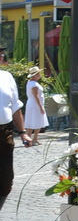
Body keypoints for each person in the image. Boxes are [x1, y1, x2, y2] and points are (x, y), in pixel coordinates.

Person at [0, 66, 20, 212]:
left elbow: (15, 106)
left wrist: (23, 131)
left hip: (4, 131)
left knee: (6, 179)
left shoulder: (6, 76)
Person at [22, 67, 49, 146]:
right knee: (33, 121)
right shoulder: (33, 84)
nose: (40, 75)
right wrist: (41, 106)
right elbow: (36, 96)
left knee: (35, 121)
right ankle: (30, 139)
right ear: (35, 75)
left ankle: (34, 139)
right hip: (35, 104)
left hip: (32, 103)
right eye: (38, 73)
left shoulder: (30, 83)